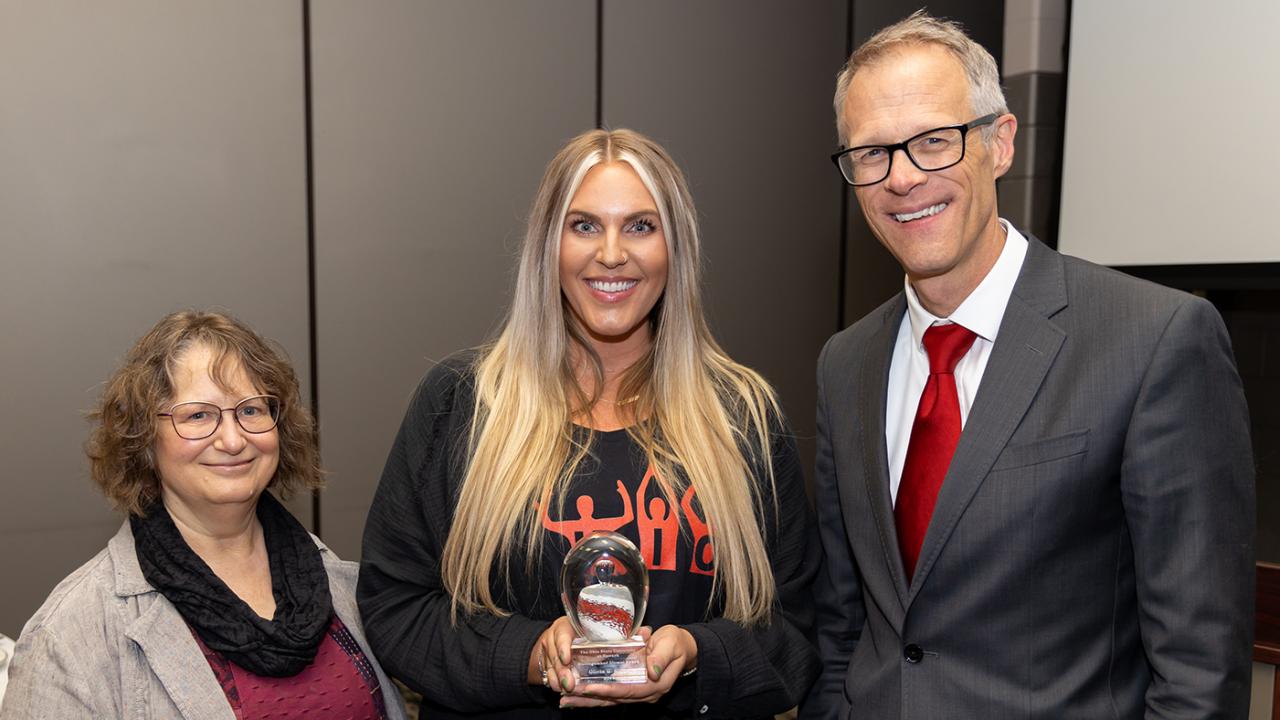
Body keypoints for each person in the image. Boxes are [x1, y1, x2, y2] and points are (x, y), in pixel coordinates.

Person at [803, 11, 1255, 719]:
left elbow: (1200, 668)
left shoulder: (1154, 339)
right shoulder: (846, 364)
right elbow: (841, 627)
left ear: (1001, 143)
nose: (902, 178)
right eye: (872, 153)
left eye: (933, 141)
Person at [357, 128, 820, 719]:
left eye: (640, 226)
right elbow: (395, 607)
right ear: (548, 245)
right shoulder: (462, 405)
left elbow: (798, 631)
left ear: (675, 246)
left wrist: (698, 651)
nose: (610, 253)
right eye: (583, 225)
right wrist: (528, 654)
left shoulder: (743, 417)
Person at [0, 311, 406, 720]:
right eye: (198, 415)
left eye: (250, 411)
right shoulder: (71, 634)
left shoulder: (341, 583)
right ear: (142, 438)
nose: (233, 440)